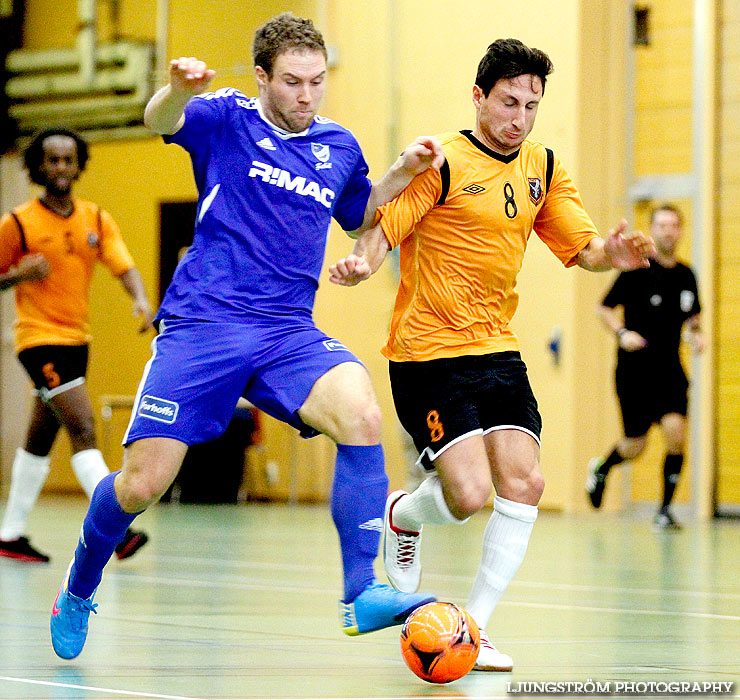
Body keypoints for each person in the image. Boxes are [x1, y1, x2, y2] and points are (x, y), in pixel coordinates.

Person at [49, 13, 442, 660]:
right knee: (142, 485)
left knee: (362, 414)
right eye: (292, 82)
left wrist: (403, 169)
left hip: (287, 330)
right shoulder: (226, 117)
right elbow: (159, 120)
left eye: (317, 82)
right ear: (262, 76)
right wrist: (176, 88)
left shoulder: (337, 144)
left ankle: (360, 591)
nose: (306, 96)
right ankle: (81, 582)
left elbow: (359, 214)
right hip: (205, 325)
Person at [329, 38, 655, 672]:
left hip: (497, 349)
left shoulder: (543, 166)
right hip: (427, 352)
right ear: (479, 96)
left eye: (532, 105)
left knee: (526, 482)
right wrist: (360, 265)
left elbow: (580, 246)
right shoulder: (442, 162)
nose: (521, 117)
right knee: (468, 494)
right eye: (509, 102)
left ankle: (470, 631)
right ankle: (404, 513)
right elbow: (382, 230)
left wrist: (609, 256)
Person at [0, 128, 154, 564]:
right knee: (83, 427)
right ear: (37, 166)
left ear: (78, 165)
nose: (61, 168)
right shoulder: (18, 223)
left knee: (38, 439)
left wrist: (141, 300)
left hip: (76, 341)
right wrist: (18, 276)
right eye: (52, 160)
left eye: (68, 159)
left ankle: (9, 534)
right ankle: (117, 528)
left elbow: (123, 265)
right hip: (38, 340)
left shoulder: (95, 218)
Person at [585, 203, 703, 529]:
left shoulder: (686, 275)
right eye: (661, 225)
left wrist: (698, 335)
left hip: (670, 370)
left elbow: (693, 316)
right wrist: (622, 333)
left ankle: (664, 511)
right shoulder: (636, 271)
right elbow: (604, 308)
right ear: (653, 230)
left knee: (676, 434)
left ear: (680, 230)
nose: (668, 230)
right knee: (635, 446)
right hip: (635, 371)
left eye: (673, 225)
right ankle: (602, 468)